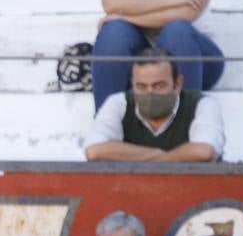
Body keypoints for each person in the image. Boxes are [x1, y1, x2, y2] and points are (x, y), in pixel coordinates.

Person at [91, 0, 223, 112]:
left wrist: (126, 16)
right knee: (113, 32)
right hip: (142, 59)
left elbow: (187, 13)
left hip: (195, 58)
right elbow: (111, 1)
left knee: (176, 31)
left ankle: (185, 129)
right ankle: (106, 128)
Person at [83, 47, 223, 163]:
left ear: (178, 84)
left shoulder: (202, 104)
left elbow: (205, 151)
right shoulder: (119, 103)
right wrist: (163, 156)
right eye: (142, 86)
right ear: (132, 84)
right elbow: (94, 150)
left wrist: (146, 159)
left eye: (159, 86)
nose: (150, 93)